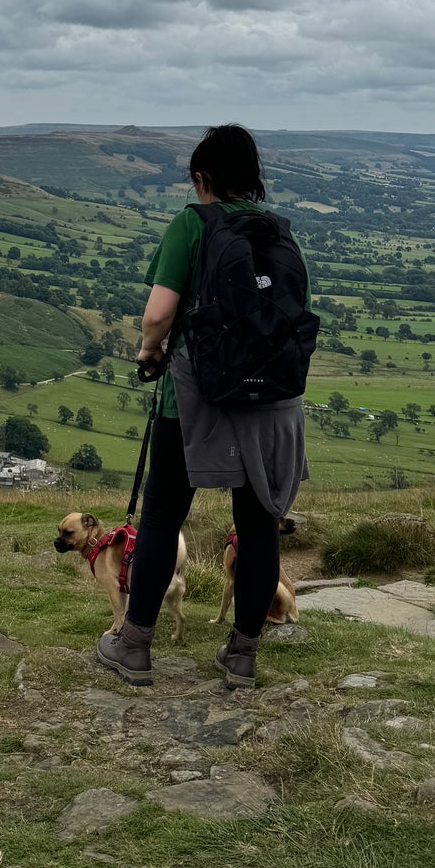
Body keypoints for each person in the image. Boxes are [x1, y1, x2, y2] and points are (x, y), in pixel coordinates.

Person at [96, 124, 309, 689]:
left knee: (164, 516)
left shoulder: (192, 224)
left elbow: (158, 314)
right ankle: (242, 655)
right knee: (258, 525)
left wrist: (148, 352)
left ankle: (135, 644)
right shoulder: (278, 231)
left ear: (201, 178)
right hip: (273, 401)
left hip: (197, 399)